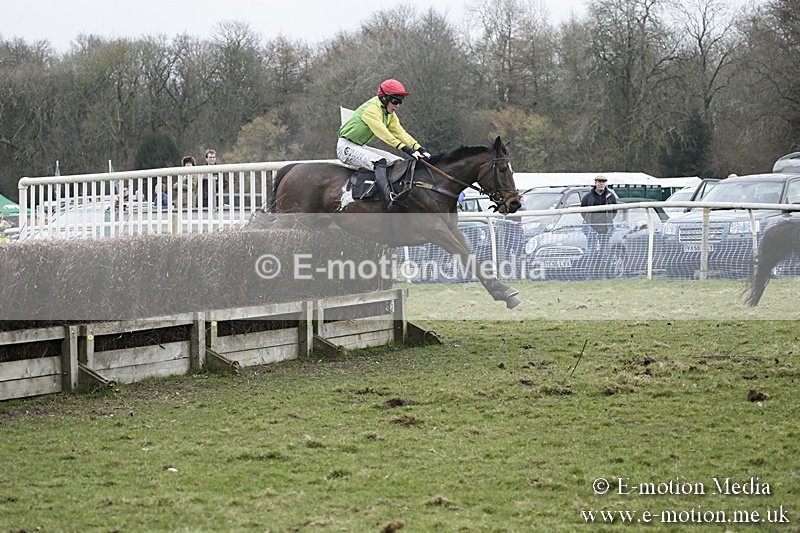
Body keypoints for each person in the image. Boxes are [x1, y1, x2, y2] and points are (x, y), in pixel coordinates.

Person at [337, 78, 431, 211]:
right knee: (379, 161)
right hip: (346, 147)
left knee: (398, 162)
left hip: (359, 146)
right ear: (384, 98)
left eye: (400, 102)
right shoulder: (371, 110)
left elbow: (400, 133)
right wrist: (407, 149)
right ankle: (388, 200)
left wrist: (418, 148)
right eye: (395, 101)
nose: (397, 105)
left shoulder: (388, 113)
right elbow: (384, 134)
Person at [580, 175, 618, 277]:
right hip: (591, 228)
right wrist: (589, 222)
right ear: (595, 183)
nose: (601, 183)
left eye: (603, 182)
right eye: (599, 181)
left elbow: (614, 211)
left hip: (605, 229)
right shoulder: (588, 196)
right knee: (591, 252)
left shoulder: (611, 196)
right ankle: (590, 274)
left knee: (604, 253)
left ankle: (602, 274)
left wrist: (609, 221)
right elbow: (582, 211)